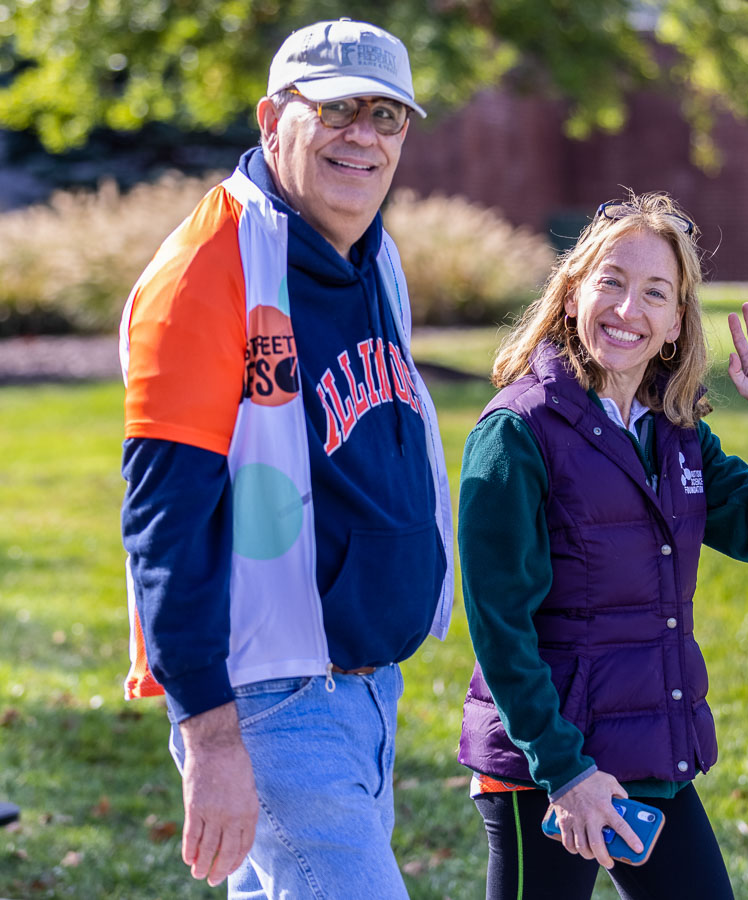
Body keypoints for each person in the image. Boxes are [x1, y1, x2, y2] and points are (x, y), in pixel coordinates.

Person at [119, 18, 453, 898]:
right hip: (271, 701)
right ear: (272, 119)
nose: (364, 136)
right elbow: (163, 522)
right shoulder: (206, 269)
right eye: (336, 108)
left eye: (387, 115)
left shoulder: (371, 254)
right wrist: (210, 735)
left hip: (366, 691)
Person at [456, 191, 748, 899]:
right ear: (572, 295)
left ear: (676, 322)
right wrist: (565, 772)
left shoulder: (675, 431)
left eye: (655, 292)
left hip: (650, 753)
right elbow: (499, 627)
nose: (629, 309)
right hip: (546, 769)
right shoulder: (517, 432)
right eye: (612, 282)